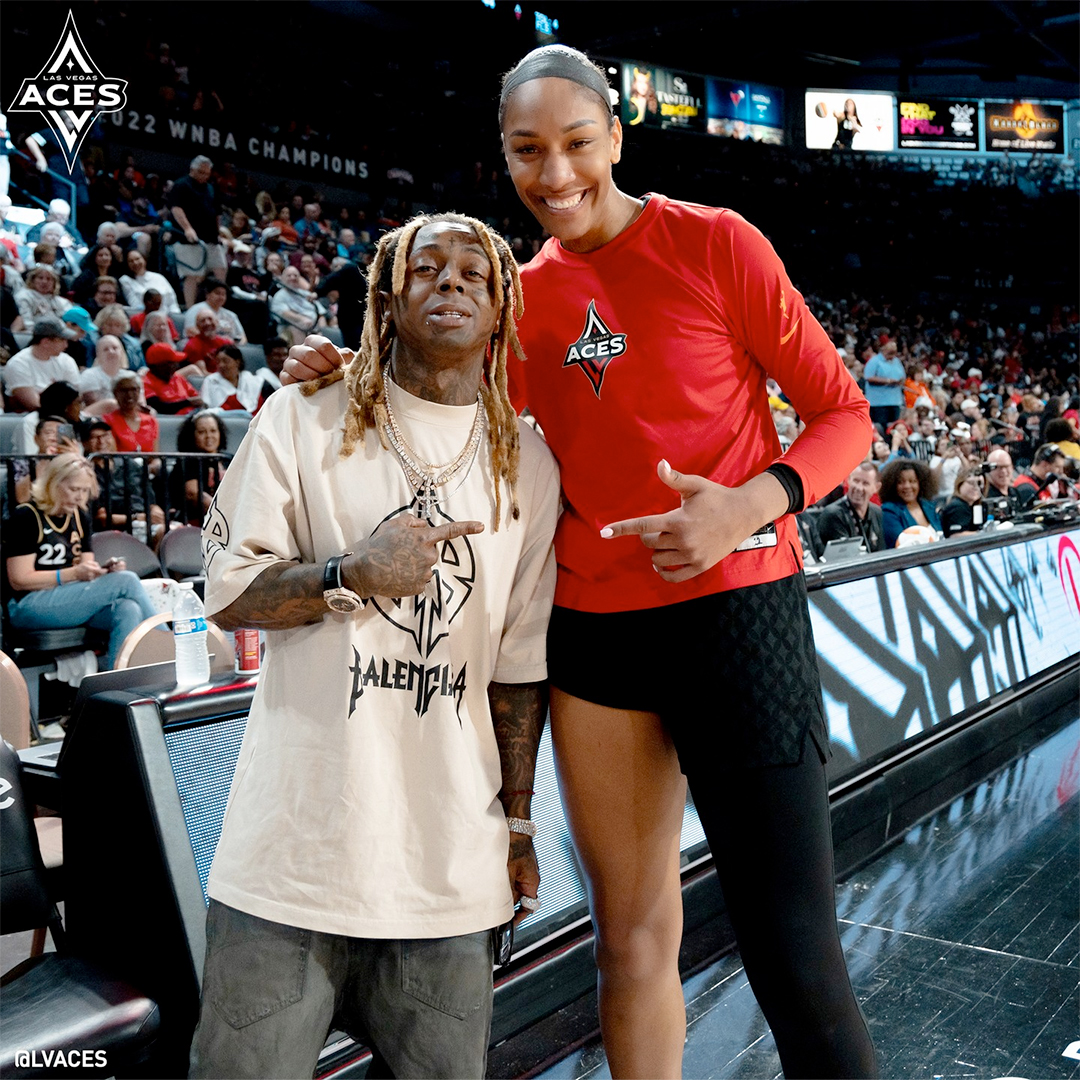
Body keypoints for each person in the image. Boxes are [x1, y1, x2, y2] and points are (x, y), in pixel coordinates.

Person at [286, 45, 877, 1080]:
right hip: (597, 643)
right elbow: (435, 417)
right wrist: (345, 377)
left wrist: (749, 503)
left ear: (616, 132)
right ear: (505, 158)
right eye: (527, 152)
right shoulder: (519, 302)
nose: (554, 175)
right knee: (631, 939)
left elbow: (843, 414)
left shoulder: (717, 243)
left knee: (795, 954)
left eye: (575, 144)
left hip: (741, 621)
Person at [188, 213, 559, 1080]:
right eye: (427, 269)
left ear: (503, 307)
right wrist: (348, 571)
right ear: (387, 301)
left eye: (476, 273)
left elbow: (516, 674)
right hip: (287, 867)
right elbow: (230, 595)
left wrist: (516, 823)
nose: (453, 282)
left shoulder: (531, 466)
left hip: (447, 873)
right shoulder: (303, 416)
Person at [4, 453, 156, 670]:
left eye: (84, 491)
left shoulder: (80, 516)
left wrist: (104, 572)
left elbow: (86, 572)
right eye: (74, 489)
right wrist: (74, 574)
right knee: (127, 581)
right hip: (28, 605)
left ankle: (119, 683)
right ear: (52, 485)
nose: (79, 497)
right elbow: (19, 580)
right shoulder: (26, 516)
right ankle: (166, 641)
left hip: (70, 598)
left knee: (127, 608)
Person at [167, 155, 227, 309]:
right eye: (201, 172)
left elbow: (217, 212)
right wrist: (187, 228)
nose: (204, 176)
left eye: (207, 173)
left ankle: (216, 305)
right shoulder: (181, 185)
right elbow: (176, 208)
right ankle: (190, 308)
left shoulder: (211, 188)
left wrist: (218, 232)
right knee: (192, 274)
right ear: (192, 169)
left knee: (221, 268)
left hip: (211, 237)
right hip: (188, 239)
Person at [168, 410, 228, 525]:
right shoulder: (188, 461)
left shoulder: (229, 459)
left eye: (213, 431)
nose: (209, 436)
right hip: (196, 522)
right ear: (192, 435)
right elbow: (193, 493)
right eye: (202, 432)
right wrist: (224, 515)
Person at [817, 461, 886, 552]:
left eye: (865, 483)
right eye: (856, 481)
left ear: (876, 488)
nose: (859, 487)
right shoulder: (833, 514)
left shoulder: (877, 512)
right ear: (849, 480)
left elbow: (881, 552)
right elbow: (844, 556)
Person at [880, 459, 942, 547]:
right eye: (900, 482)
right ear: (893, 485)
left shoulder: (929, 506)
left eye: (912, 481)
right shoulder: (889, 511)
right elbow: (900, 545)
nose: (907, 486)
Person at [199, 344, 262, 412]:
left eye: (225, 361)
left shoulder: (251, 380)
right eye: (218, 362)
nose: (221, 365)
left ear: (237, 362)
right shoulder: (211, 381)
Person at [940, 467, 987, 538]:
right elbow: (956, 536)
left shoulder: (977, 506)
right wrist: (984, 534)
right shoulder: (957, 507)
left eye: (979, 483)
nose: (976, 487)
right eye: (971, 483)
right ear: (960, 484)